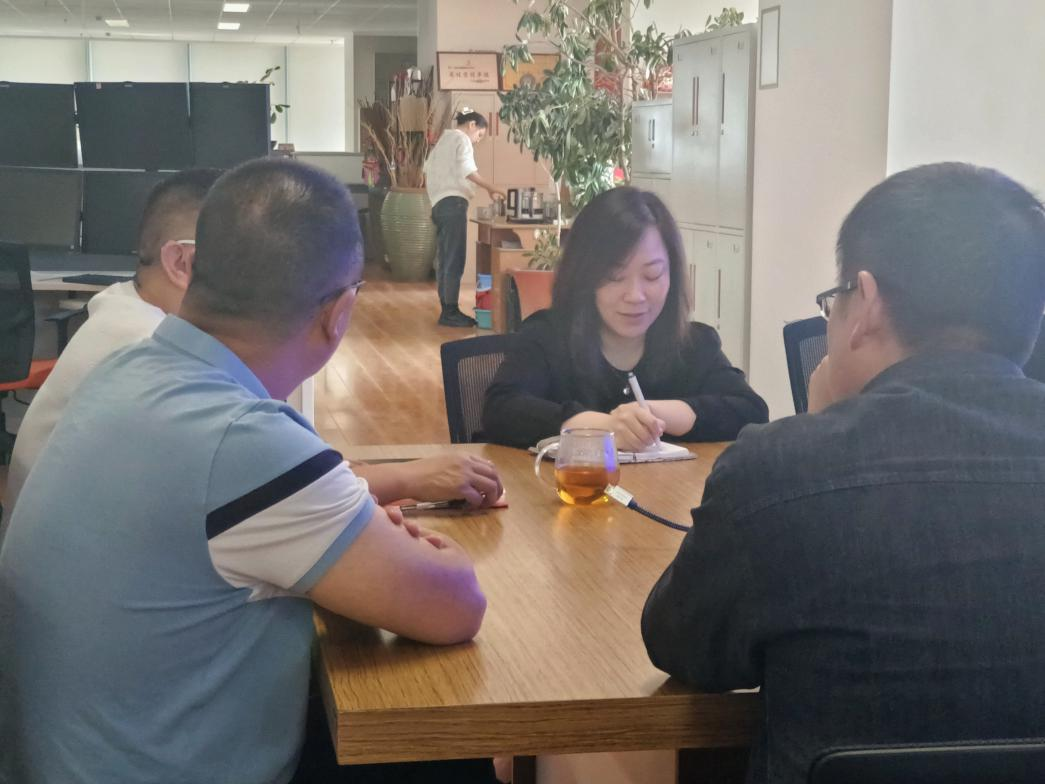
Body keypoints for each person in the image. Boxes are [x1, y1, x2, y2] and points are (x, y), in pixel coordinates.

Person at [0, 159, 495, 784]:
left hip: (67, 754)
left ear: (194, 271)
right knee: (441, 744)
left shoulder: (127, 370)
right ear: (339, 312)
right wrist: (435, 557)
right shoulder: (242, 438)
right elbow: (455, 606)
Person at [641, 163, 1045, 784]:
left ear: (868, 303)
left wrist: (815, 431)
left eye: (835, 302)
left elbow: (682, 644)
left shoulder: (779, 471)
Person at [0, 168, 504, 538]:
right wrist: (397, 480)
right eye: (237, 257)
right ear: (183, 262)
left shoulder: (129, 318)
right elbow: (265, 473)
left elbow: (268, 475)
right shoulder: (151, 355)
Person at [2, 168, 222, 527]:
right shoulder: (152, 350)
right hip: (69, 549)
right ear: (182, 262)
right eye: (246, 258)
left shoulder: (122, 308)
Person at [481, 186, 768, 451]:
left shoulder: (693, 344)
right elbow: (501, 410)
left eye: (652, 275)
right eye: (615, 276)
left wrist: (651, 415)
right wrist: (604, 426)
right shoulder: (548, 337)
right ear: (583, 276)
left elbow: (750, 411)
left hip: (666, 490)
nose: (635, 295)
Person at [425, 110, 505, 327]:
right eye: (480, 135)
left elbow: (428, 172)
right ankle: (450, 312)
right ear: (472, 125)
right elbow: (468, 170)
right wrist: (491, 187)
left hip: (439, 204)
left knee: (445, 258)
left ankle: (447, 309)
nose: (478, 140)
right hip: (453, 204)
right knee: (454, 259)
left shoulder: (444, 141)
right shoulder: (461, 139)